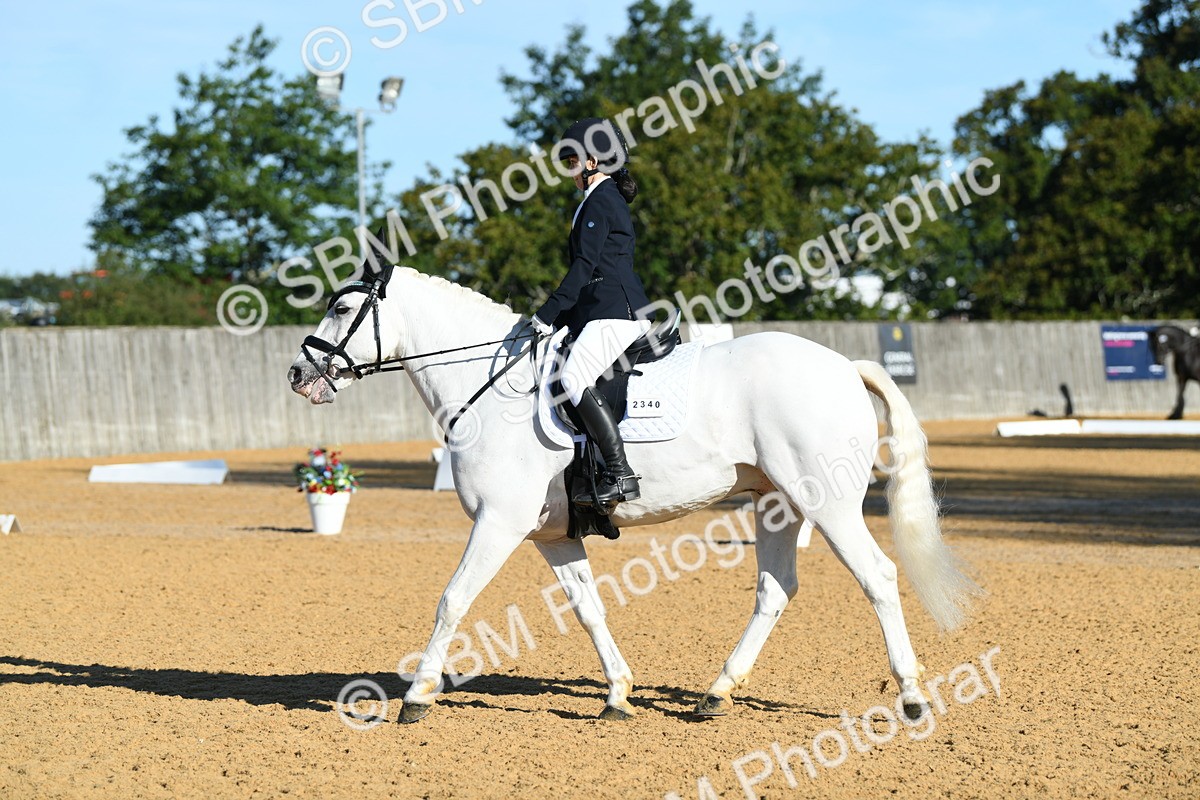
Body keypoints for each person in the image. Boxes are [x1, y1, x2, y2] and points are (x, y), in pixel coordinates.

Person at [530, 117, 652, 507]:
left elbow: (585, 266)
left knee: (572, 376)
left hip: (617, 311)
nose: (568, 171)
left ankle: (620, 473)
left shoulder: (602, 199)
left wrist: (547, 313)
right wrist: (562, 322)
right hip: (600, 310)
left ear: (594, 162)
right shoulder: (595, 200)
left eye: (571, 161)